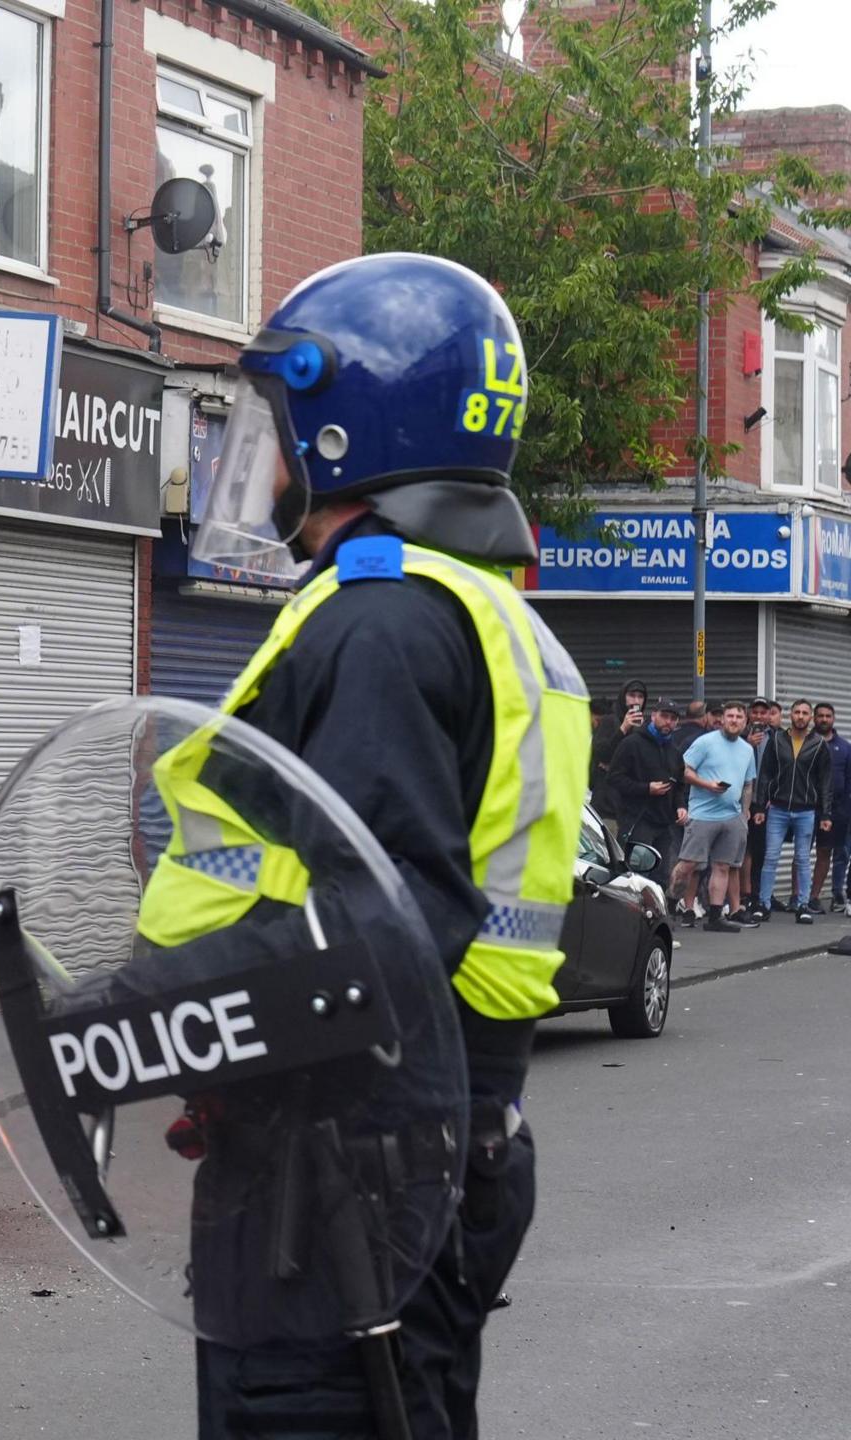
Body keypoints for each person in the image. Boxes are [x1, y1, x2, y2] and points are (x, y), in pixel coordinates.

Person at [176, 253, 583, 1438]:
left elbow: (379, 925)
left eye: (284, 417)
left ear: (350, 425)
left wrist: (151, 1013)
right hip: (427, 1140)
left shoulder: (382, 622)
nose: (273, 452)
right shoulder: (478, 608)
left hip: (341, 1181)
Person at [675, 703, 759, 932]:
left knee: (722, 866)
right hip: (702, 814)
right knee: (688, 865)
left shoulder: (747, 749)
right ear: (722, 719)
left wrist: (744, 814)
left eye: (738, 717)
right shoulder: (705, 742)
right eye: (729, 716)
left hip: (732, 817)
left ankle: (715, 916)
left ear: (745, 722)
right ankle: (670, 907)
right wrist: (707, 785)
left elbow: (748, 784)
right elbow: (682, 769)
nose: (733, 720)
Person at [754, 699, 831, 922]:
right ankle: (764, 903)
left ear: (810, 718)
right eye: (796, 712)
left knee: (803, 859)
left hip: (806, 810)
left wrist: (825, 814)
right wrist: (760, 805)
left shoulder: (818, 744)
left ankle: (803, 905)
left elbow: (825, 782)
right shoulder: (777, 739)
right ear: (791, 715)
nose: (800, 716)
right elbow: (765, 774)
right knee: (770, 857)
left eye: (805, 713)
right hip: (777, 807)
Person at [606, 699, 685, 890]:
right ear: (654, 715)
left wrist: (681, 806)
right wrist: (646, 788)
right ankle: (632, 918)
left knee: (661, 878)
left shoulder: (674, 751)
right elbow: (614, 778)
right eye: (664, 716)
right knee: (636, 876)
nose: (668, 722)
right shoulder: (632, 744)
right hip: (637, 819)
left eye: (673, 718)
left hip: (664, 823)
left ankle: (655, 917)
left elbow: (679, 785)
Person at [742, 699, 779, 916]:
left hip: (764, 802)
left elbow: (780, 770)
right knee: (742, 851)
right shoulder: (739, 736)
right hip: (741, 801)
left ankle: (757, 896)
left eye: (762, 712)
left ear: (768, 715)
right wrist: (748, 744)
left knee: (760, 851)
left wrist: (772, 797)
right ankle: (744, 895)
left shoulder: (777, 737)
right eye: (754, 712)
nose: (758, 716)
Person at [590, 682, 647, 821]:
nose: (636, 701)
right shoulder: (610, 721)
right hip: (607, 803)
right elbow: (601, 753)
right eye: (631, 696)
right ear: (623, 697)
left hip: (631, 804)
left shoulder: (642, 726)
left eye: (640, 697)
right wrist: (623, 729)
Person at [823, 703, 851, 912]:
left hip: (841, 808)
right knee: (806, 854)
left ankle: (841, 894)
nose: (824, 719)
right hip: (810, 806)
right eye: (820, 715)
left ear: (833, 719)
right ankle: (834, 894)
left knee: (842, 851)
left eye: (828, 716)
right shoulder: (809, 743)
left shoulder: (845, 747)